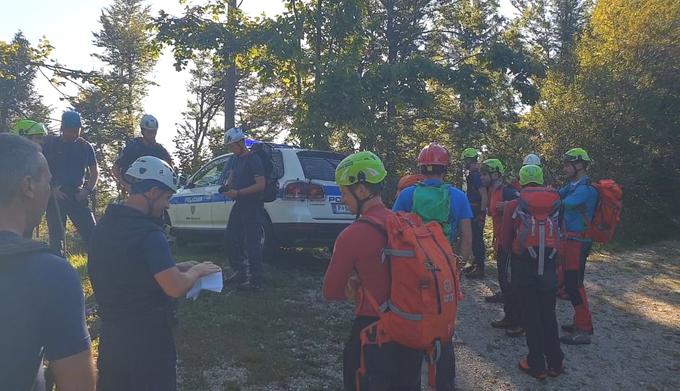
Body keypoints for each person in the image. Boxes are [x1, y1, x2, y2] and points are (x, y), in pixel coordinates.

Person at [88, 156, 221, 391]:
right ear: (151, 192)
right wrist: (197, 271)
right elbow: (175, 287)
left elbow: (127, 265)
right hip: (148, 339)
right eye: (167, 198)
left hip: (112, 336)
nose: (168, 205)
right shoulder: (150, 234)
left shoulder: (105, 226)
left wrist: (174, 266)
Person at [0, 133, 96, 391]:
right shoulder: (50, 274)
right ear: (28, 186)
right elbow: (79, 385)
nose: (49, 193)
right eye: (48, 183)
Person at [323, 151, 423, 391]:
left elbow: (331, 291)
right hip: (411, 332)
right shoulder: (408, 222)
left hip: (372, 333)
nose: (342, 198)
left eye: (344, 191)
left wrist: (353, 286)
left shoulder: (352, 235)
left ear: (361, 190)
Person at [392, 143, 473, 391]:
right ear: (444, 168)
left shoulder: (406, 195)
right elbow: (467, 237)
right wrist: (457, 265)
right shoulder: (458, 196)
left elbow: (393, 230)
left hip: (413, 267)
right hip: (445, 265)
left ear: (421, 167)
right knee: (443, 327)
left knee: (414, 322)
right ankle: (443, 383)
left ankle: (410, 381)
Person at [500, 164, 565, 379]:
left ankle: (536, 363)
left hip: (524, 265)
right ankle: (556, 363)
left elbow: (506, 240)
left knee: (531, 315)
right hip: (549, 263)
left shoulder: (514, 204)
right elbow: (559, 232)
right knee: (548, 314)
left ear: (521, 180)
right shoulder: (556, 202)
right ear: (541, 179)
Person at [41, 110, 98, 255]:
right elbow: (40, 170)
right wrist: (51, 190)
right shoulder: (50, 144)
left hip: (77, 195)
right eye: (71, 131)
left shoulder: (86, 147)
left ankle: (98, 268)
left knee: (93, 235)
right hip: (55, 196)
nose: (74, 134)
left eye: (77, 130)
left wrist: (87, 190)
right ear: (63, 129)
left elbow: (94, 172)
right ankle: (59, 271)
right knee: (56, 240)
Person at [558, 148, 598, 345]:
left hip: (578, 243)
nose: (565, 168)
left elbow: (563, 203)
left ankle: (584, 329)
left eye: (568, 164)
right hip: (570, 240)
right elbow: (557, 195)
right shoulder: (573, 185)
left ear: (579, 164)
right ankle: (580, 322)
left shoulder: (585, 189)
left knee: (574, 285)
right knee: (571, 283)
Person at [481, 159, 523, 336]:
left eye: (485, 174)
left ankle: (518, 321)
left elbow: (524, 206)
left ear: (496, 174)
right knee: (504, 281)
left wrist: (508, 206)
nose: (482, 177)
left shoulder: (507, 190)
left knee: (510, 282)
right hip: (501, 241)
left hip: (510, 243)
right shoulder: (495, 190)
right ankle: (510, 316)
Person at [220, 127, 267, 290]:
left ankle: (256, 280)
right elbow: (232, 177)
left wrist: (238, 193)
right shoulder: (235, 159)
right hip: (239, 203)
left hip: (252, 204)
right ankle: (240, 271)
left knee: (251, 242)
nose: (231, 149)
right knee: (230, 237)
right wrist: (228, 187)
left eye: (232, 145)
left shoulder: (254, 160)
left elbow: (261, 185)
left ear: (241, 143)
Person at [112, 114, 173, 189]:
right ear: (143, 131)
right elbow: (115, 168)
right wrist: (126, 186)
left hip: (156, 190)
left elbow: (170, 169)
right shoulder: (133, 148)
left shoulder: (160, 150)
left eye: (154, 132)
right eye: (149, 132)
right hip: (137, 190)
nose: (152, 135)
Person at [460, 147, 488, 279]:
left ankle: (480, 268)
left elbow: (483, 195)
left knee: (477, 239)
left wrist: (482, 214)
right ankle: (476, 263)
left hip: (477, 210)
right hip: (472, 209)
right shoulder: (471, 174)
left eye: (465, 160)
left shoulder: (476, 175)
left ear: (469, 160)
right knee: (473, 238)